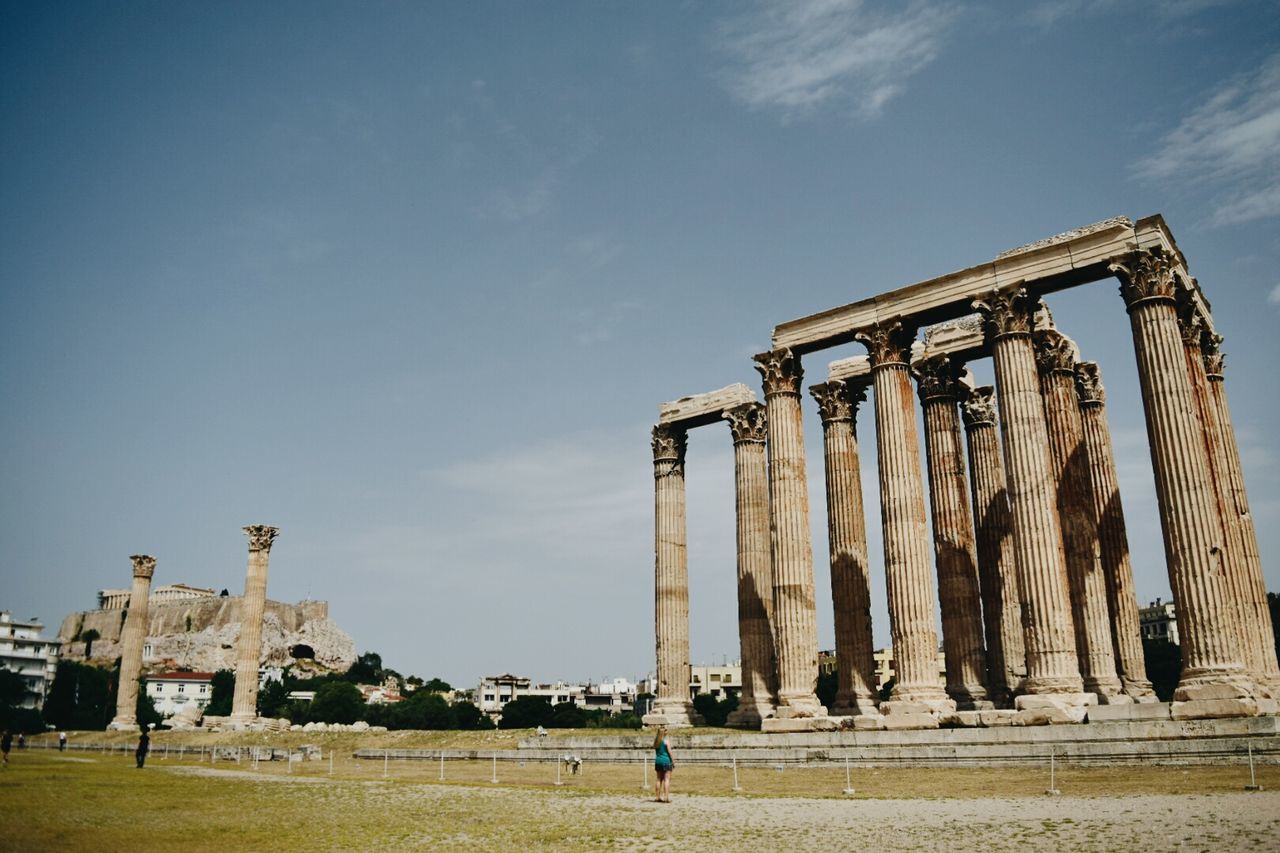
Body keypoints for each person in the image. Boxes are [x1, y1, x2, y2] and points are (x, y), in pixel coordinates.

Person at [653, 725, 674, 803]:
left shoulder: (656, 741)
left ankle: (657, 797)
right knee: (666, 779)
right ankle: (666, 797)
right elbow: (670, 752)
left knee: (659, 779)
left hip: (658, 761)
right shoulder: (666, 741)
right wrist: (673, 761)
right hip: (666, 761)